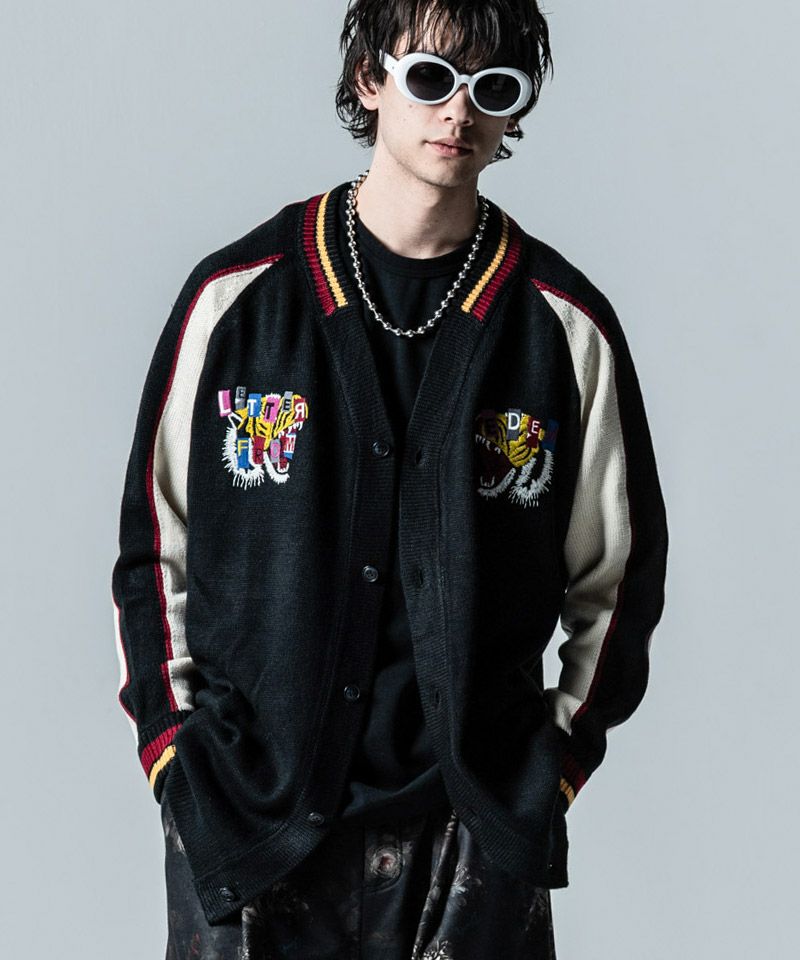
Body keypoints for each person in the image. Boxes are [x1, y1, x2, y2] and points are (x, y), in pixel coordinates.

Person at [111, 1, 669, 957]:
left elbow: (618, 582)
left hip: (470, 835)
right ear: (370, 79)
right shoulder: (237, 301)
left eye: (492, 87)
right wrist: (174, 755)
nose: (459, 111)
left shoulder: (562, 327)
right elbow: (153, 548)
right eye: (430, 77)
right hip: (250, 829)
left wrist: (550, 773)